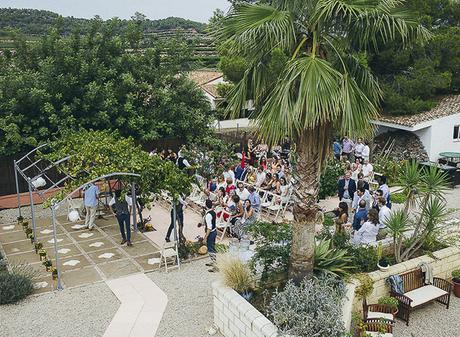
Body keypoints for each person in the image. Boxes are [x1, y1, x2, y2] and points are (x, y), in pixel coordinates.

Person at [203, 199, 218, 272]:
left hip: (211, 233)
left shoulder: (208, 215)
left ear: (205, 205)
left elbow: (209, 227)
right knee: (212, 247)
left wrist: (205, 237)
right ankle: (213, 262)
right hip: (214, 231)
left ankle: (215, 266)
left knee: (211, 249)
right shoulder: (213, 212)